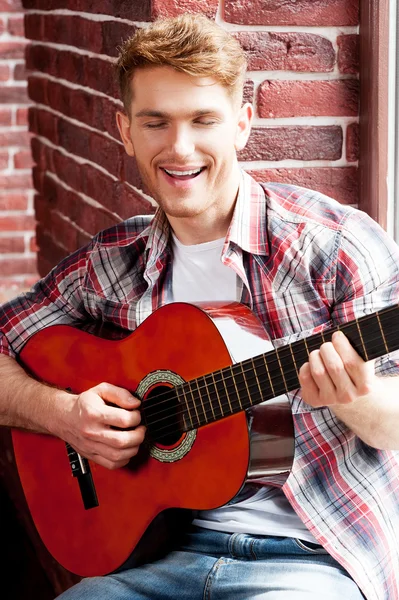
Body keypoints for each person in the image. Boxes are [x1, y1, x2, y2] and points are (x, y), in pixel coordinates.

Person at [1, 14, 399, 600]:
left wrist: (358, 396)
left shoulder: (336, 245)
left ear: (241, 124)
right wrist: (61, 415)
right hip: (157, 555)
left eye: (202, 120)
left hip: (311, 561)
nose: (179, 147)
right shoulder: (114, 261)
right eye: (155, 122)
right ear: (125, 131)